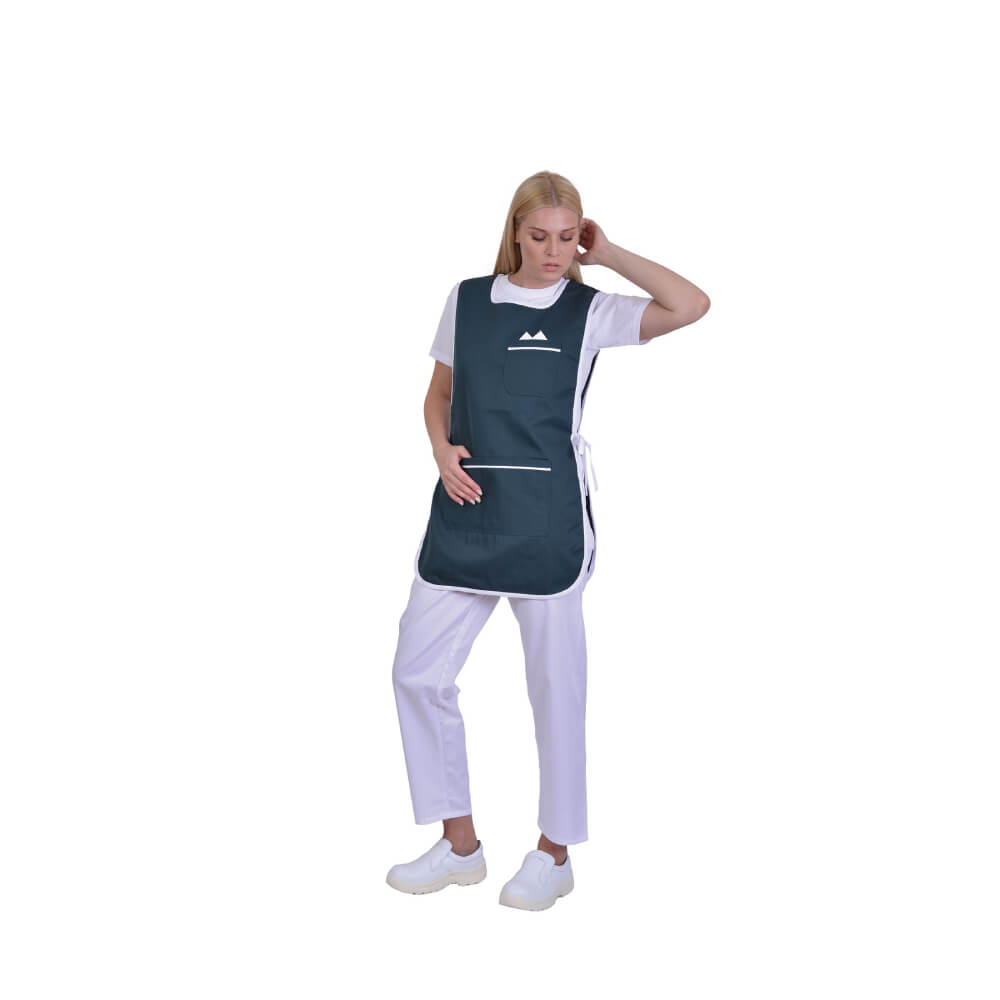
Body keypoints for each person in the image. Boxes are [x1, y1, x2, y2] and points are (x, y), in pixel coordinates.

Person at [386, 171, 710, 910]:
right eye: (540, 237)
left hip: (546, 523)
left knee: (555, 689)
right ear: (515, 233)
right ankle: (459, 845)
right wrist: (439, 450)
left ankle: (554, 853)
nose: (554, 251)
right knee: (416, 673)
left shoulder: (590, 311)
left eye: (568, 238)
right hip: (466, 513)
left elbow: (690, 305)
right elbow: (439, 393)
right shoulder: (468, 299)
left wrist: (611, 252)